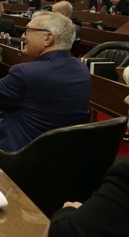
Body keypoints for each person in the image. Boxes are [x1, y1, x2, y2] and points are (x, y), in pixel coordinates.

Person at [0, 11, 90, 152]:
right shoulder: (82, 70)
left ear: (48, 39)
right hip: (60, 153)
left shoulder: (26, 72)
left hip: (15, 154)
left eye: (28, 31)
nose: (23, 36)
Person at [48, 67, 129, 237]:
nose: (126, 99)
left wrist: (70, 210)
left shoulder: (125, 173)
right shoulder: (79, 69)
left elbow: (64, 232)